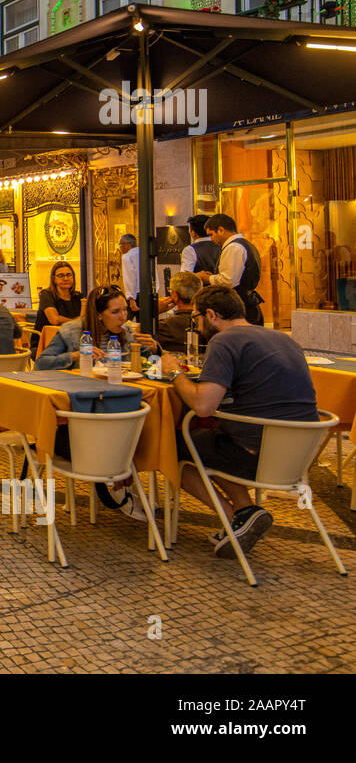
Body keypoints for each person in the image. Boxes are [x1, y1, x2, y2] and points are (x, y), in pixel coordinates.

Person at [161, 286, 317, 557]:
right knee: (213, 440)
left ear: (211, 315)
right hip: (299, 458)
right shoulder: (283, 339)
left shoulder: (224, 341)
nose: (196, 325)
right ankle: (246, 513)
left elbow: (203, 406)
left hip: (258, 456)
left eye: (196, 318)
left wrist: (174, 372)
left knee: (171, 447)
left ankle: (233, 518)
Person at [35, 284, 158, 371]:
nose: (123, 317)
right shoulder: (71, 331)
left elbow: (154, 369)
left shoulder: (128, 333)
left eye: (125, 310)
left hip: (122, 391)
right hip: (84, 394)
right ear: (99, 315)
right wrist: (75, 355)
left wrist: (155, 350)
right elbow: (41, 364)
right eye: (115, 312)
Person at [197, 213, 265, 326]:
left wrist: (207, 278)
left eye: (211, 234)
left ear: (221, 230)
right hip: (248, 304)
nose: (211, 239)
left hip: (242, 308)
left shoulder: (234, 247)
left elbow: (229, 280)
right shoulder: (245, 244)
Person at [155, 271, 200, 353]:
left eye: (170, 290)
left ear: (175, 295)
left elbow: (137, 336)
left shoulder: (167, 325)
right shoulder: (207, 321)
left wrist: (154, 311)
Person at [34, 262, 83, 331]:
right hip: (49, 338)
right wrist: (78, 322)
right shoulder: (46, 295)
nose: (66, 278)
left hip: (73, 336)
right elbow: (55, 320)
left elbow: (86, 319)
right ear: (54, 279)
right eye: (61, 275)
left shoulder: (78, 296)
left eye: (69, 275)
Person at [119, 233, 140, 314]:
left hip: (136, 295)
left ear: (127, 244)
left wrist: (131, 298)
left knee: (126, 320)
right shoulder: (143, 253)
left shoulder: (127, 256)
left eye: (120, 244)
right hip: (148, 292)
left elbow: (130, 278)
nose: (120, 247)